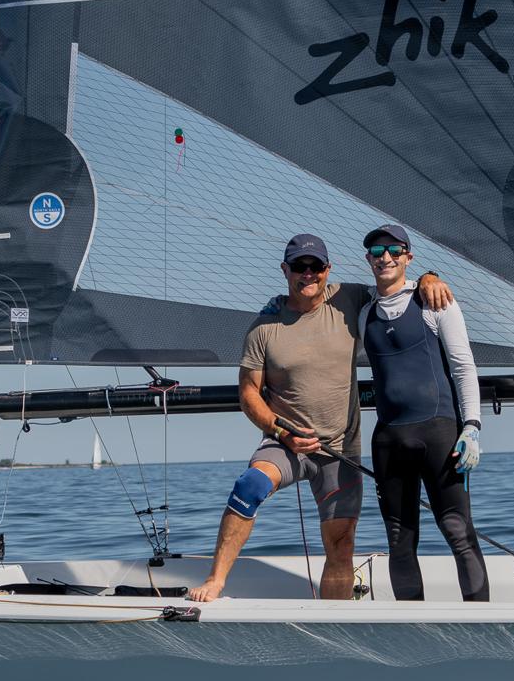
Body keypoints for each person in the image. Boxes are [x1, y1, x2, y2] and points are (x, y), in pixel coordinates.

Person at [187, 233, 452, 603]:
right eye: (300, 266)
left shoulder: (350, 299)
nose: (308, 274)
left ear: (328, 269)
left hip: (339, 451)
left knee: (341, 545)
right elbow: (248, 393)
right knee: (249, 487)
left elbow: (393, 283)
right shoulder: (264, 327)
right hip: (285, 443)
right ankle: (215, 581)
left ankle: (335, 618)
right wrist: (281, 431)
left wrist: (429, 278)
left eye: (316, 266)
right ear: (285, 270)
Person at [358, 223, 489, 602]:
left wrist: (472, 426)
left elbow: (463, 366)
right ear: (368, 259)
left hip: (441, 436)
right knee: (398, 539)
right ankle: (410, 622)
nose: (385, 257)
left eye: (394, 251)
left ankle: (480, 621)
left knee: (457, 530)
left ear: (408, 257)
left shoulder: (435, 300)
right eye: (377, 251)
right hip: (389, 440)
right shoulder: (364, 312)